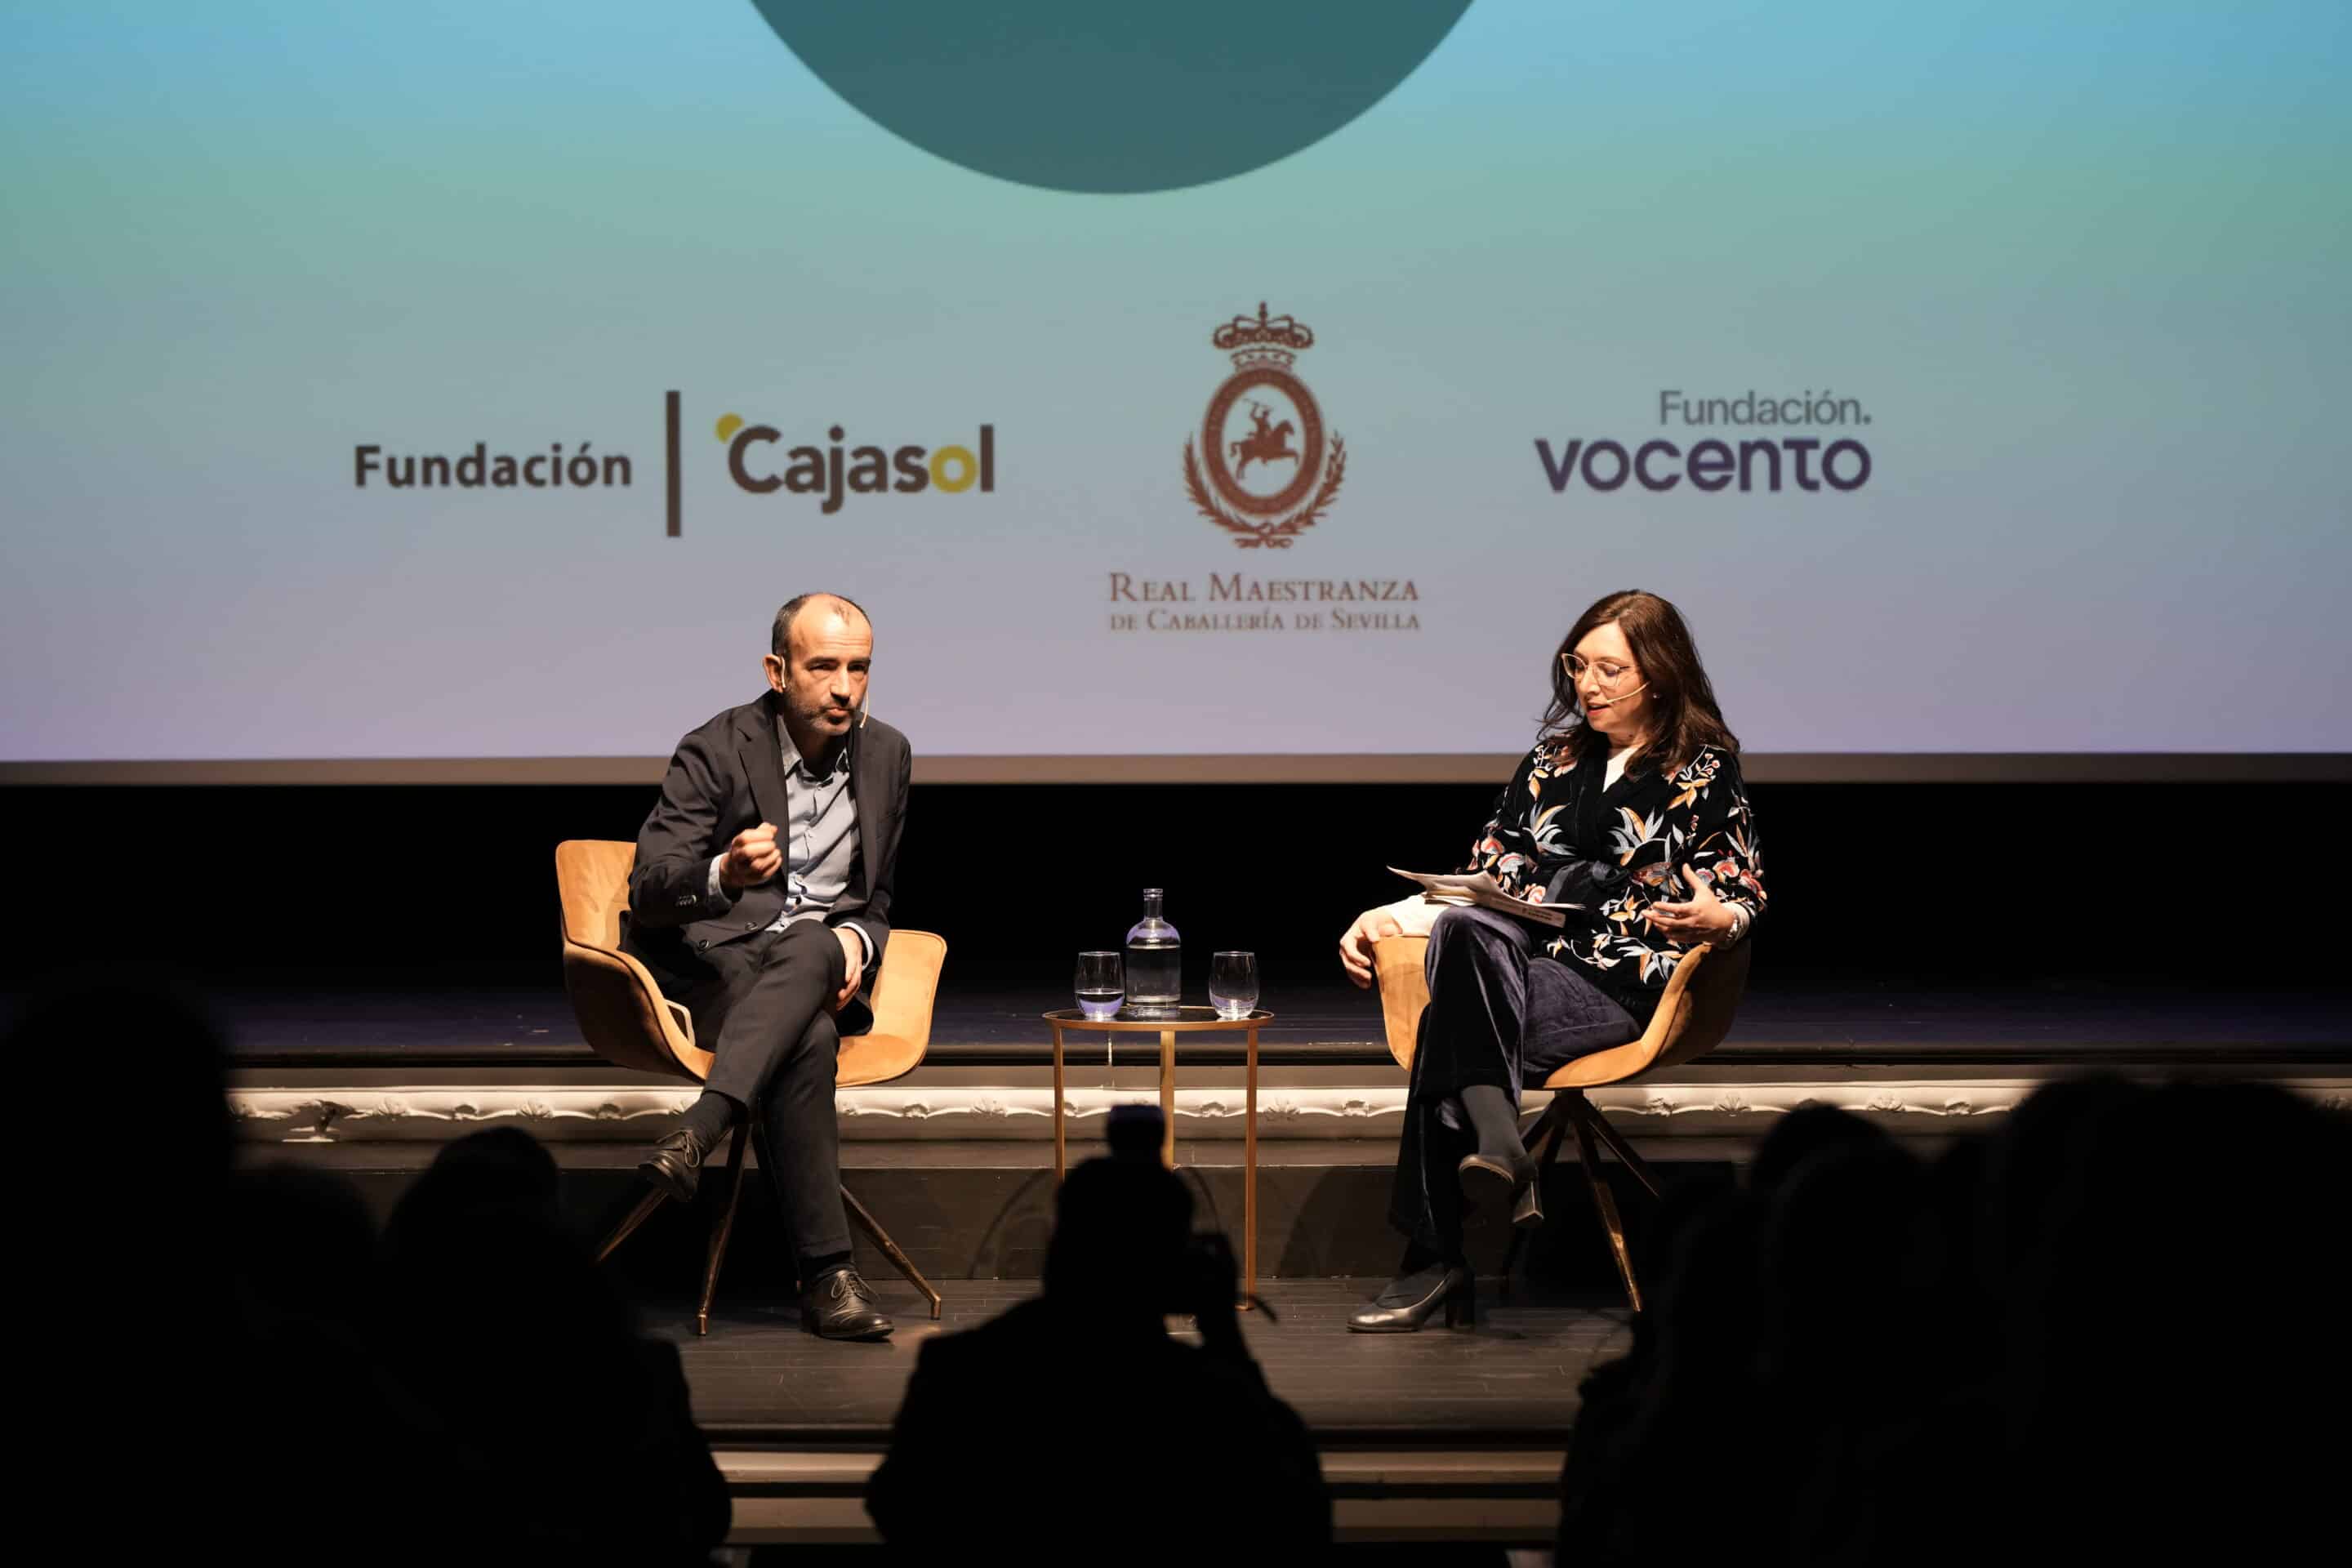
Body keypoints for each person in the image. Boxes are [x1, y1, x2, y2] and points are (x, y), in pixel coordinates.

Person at [1336, 589, 1766, 1331]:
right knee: (1468, 933)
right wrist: (1383, 918)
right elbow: (1486, 874)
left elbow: (1741, 887)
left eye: (1608, 670)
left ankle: (1435, 1256)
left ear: (1657, 676)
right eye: (1578, 666)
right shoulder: (1551, 760)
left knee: (1448, 1028)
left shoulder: (1703, 770)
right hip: (1516, 962)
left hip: (1618, 984)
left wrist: (1717, 918)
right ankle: (1503, 1145)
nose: (1586, 686)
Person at [622, 591, 911, 1340]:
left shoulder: (889, 755)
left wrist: (858, 945)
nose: (845, 688)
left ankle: (697, 1130)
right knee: (807, 1040)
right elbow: (649, 890)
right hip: (716, 968)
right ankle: (828, 1278)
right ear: (777, 671)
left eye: (860, 668)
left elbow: (874, 903)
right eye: (824, 667)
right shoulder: (715, 747)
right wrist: (724, 873)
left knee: (820, 941)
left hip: (815, 967)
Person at [866, 1108, 1330, 1556]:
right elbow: (1298, 1513)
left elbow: (896, 1506)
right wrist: (1223, 1333)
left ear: (1057, 1251)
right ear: (1175, 1273)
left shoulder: (959, 1374)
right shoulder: (1209, 1399)